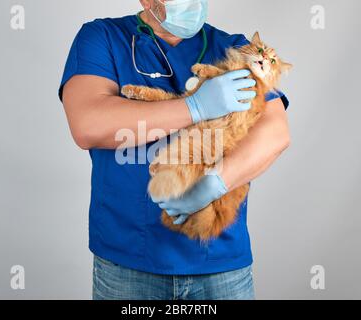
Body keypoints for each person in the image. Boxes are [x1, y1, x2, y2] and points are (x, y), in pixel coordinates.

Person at [58, 0, 290, 300]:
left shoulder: (235, 48)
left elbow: (275, 132)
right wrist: (195, 107)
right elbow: (88, 123)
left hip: (219, 263)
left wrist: (214, 184)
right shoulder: (102, 37)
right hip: (128, 261)